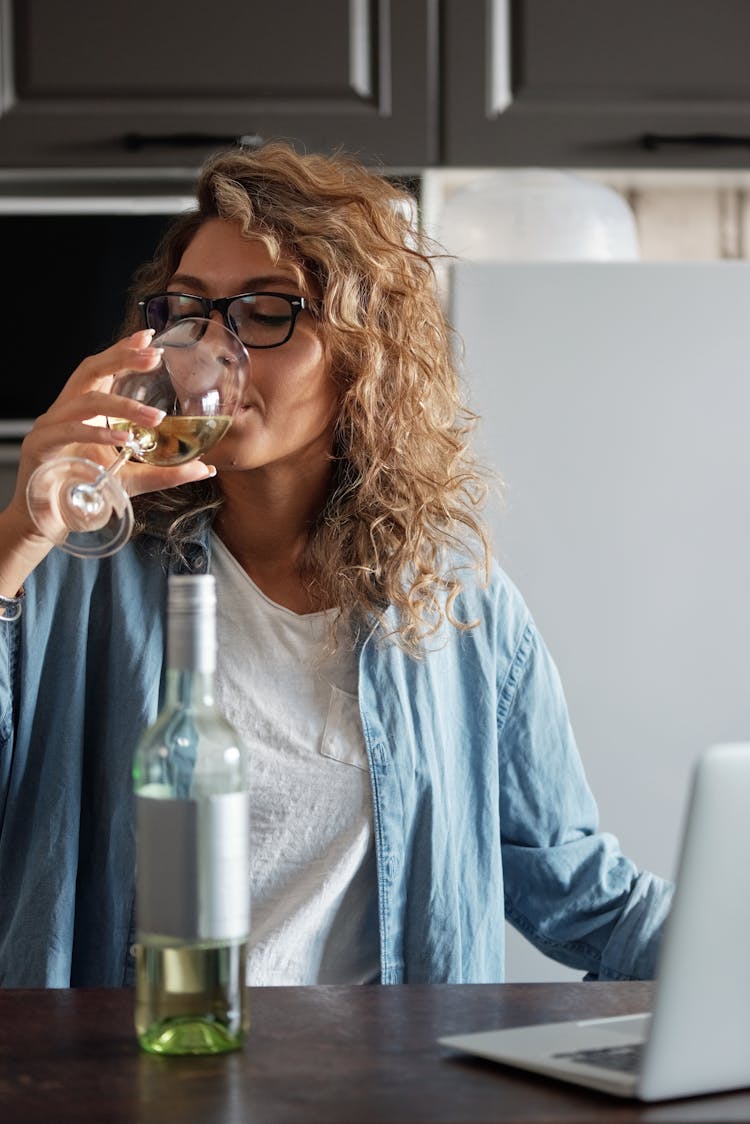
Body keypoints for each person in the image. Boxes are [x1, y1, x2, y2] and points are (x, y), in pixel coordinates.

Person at [0, 142, 672, 988]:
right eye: (191, 310)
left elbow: (582, 896)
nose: (212, 349)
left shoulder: (456, 602)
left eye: (267, 311)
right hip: (125, 1081)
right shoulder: (75, 569)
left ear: (364, 355)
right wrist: (15, 540)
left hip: (379, 1093)